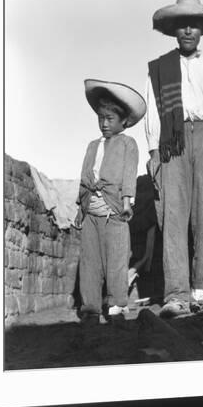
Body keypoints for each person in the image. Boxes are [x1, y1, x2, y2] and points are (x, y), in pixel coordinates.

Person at [145, 0, 203, 316]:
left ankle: (202, 291)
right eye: (182, 25)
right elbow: (154, 111)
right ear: (174, 30)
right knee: (174, 215)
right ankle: (176, 294)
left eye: (193, 25)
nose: (187, 31)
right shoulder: (160, 69)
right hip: (173, 140)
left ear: (201, 30)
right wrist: (154, 149)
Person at [75, 79, 146, 323]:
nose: (104, 123)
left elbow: (128, 175)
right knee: (90, 262)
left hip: (114, 211)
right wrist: (81, 207)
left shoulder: (128, 144)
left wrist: (126, 203)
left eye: (110, 119)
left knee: (116, 260)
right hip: (91, 213)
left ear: (123, 121)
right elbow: (85, 177)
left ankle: (116, 305)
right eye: (100, 118)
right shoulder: (92, 146)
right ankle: (90, 308)